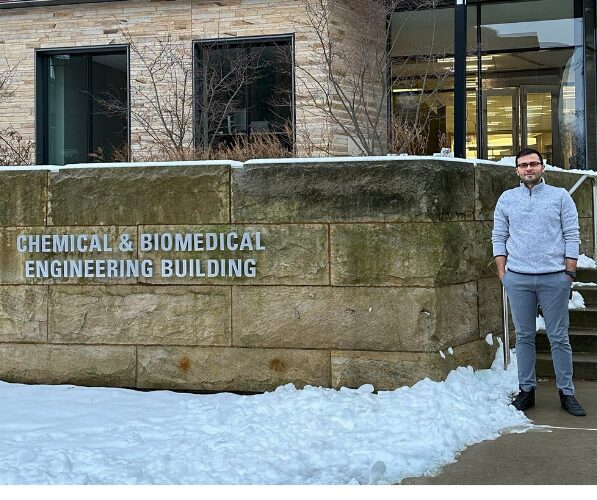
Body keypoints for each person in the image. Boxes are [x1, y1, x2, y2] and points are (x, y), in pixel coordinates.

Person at [491, 147, 586, 416]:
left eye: (533, 164)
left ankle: (567, 393)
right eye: (523, 165)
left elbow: (572, 234)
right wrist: (503, 272)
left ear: (543, 167)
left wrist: (569, 271)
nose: (529, 169)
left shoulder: (560, 197)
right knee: (524, 336)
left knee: (559, 337)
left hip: (554, 277)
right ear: (517, 170)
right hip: (518, 278)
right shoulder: (507, 199)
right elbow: (498, 235)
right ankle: (526, 391)